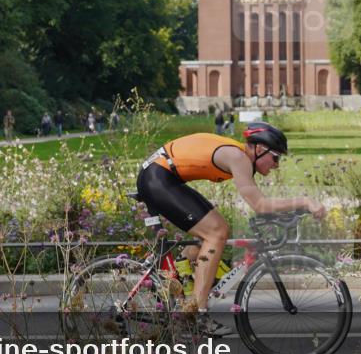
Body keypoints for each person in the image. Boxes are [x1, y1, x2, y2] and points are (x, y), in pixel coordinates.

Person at [136, 123, 326, 336]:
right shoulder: (239, 158)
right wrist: (305, 201)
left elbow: (260, 204)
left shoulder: (241, 157)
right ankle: (196, 312)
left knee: (219, 229)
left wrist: (290, 212)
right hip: (158, 178)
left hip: (164, 176)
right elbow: (260, 205)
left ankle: (186, 280)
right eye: (275, 158)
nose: (277, 165)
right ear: (259, 149)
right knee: (215, 233)